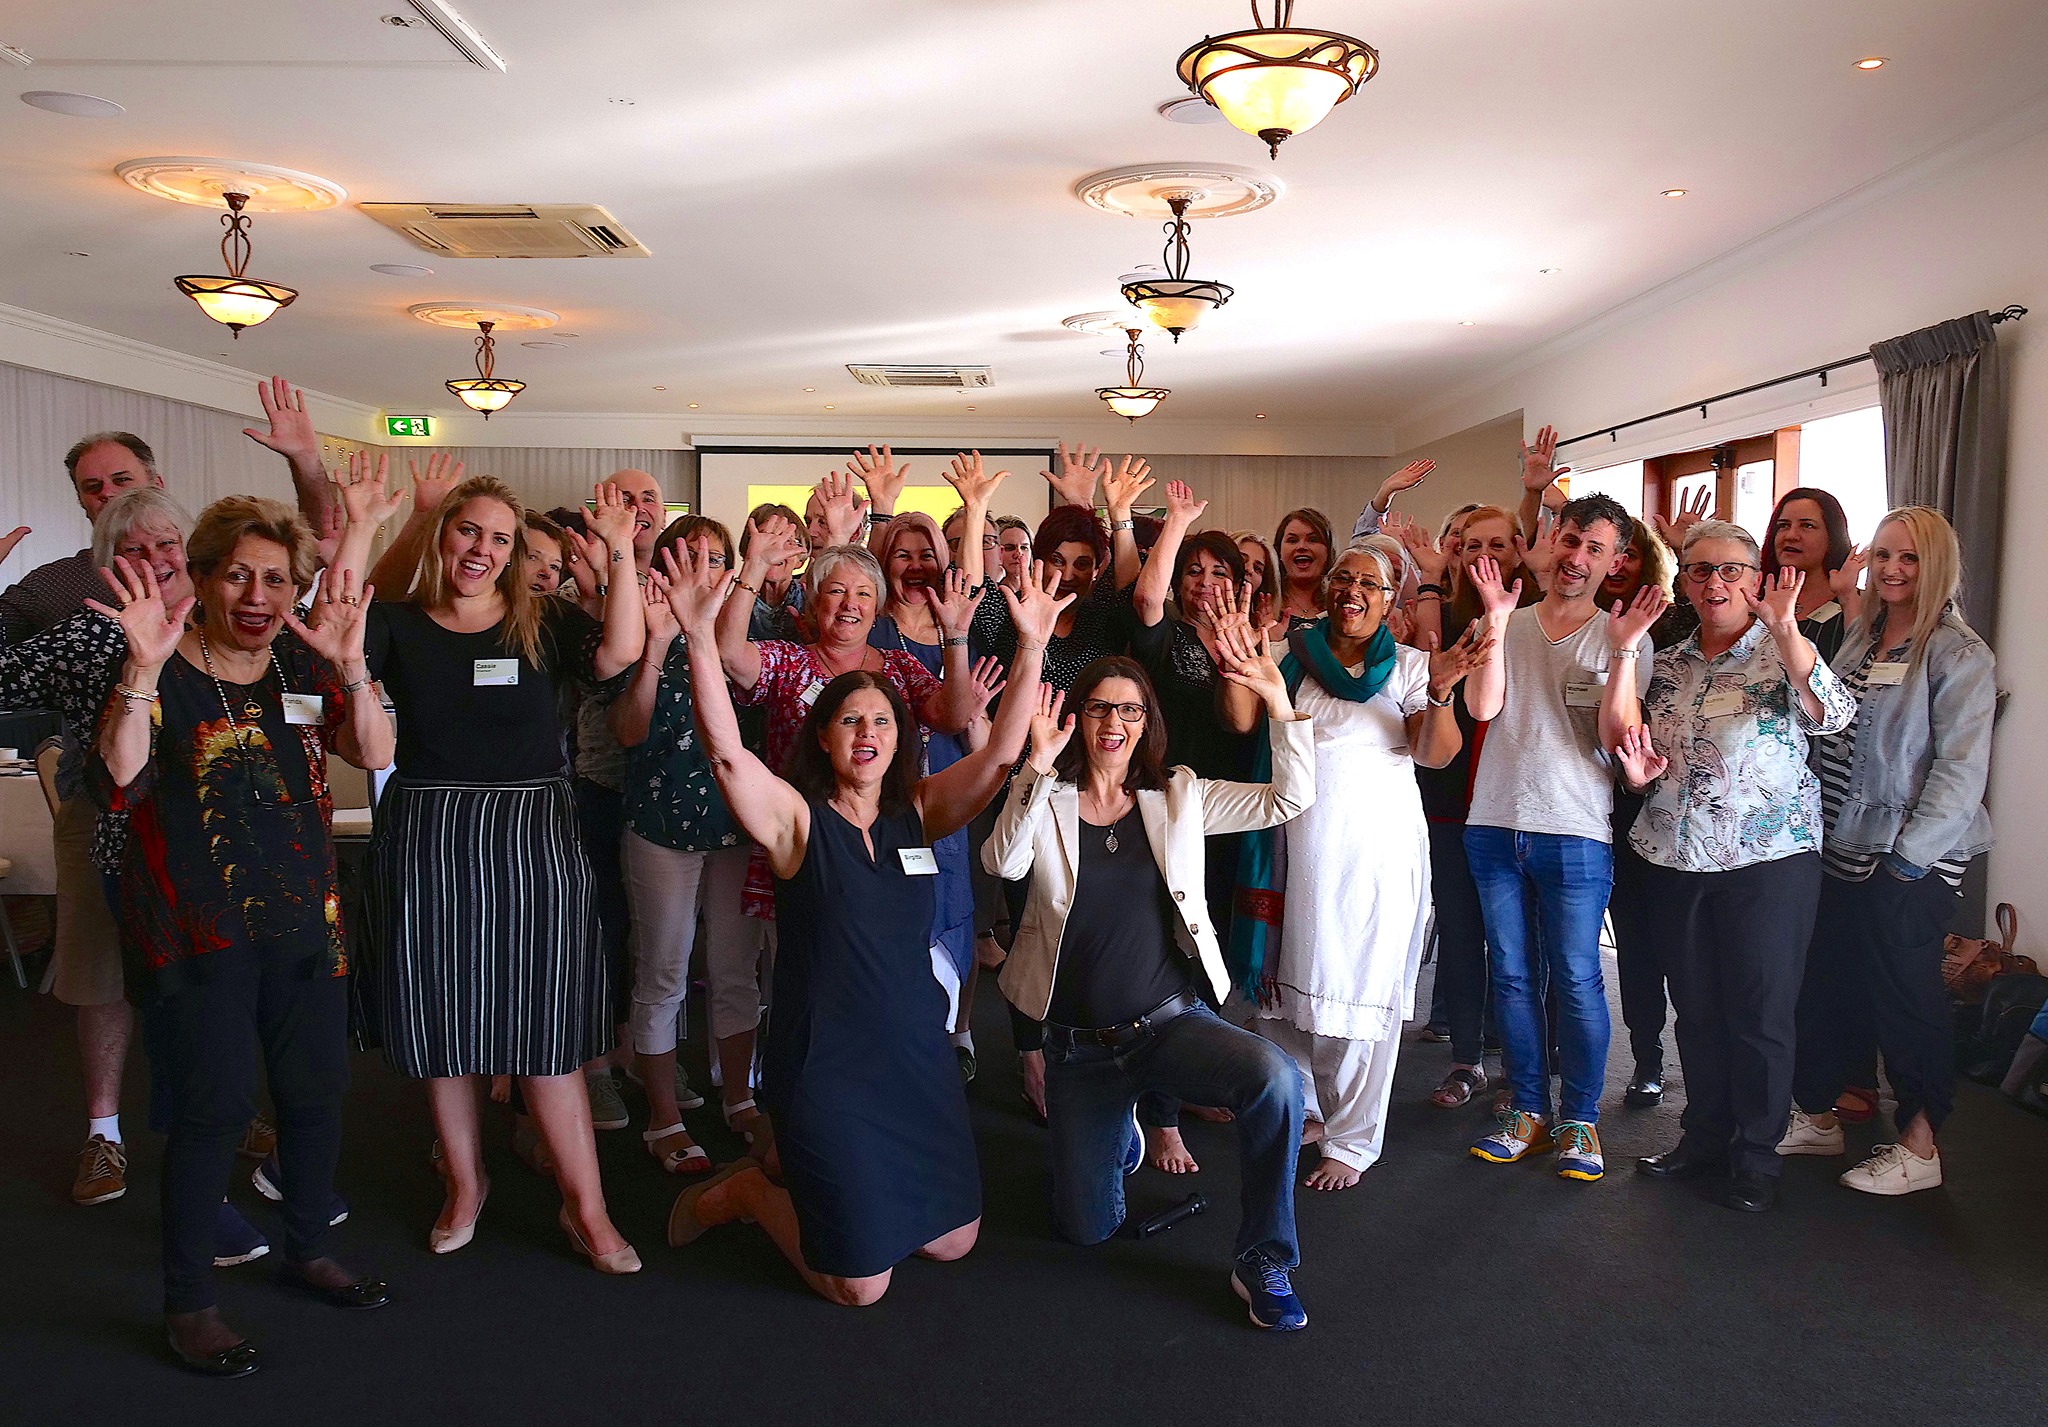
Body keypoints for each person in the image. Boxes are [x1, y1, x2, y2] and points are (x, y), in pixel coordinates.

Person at [665, 552, 1061, 1306]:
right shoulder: (796, 822)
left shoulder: (920, 808)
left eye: (882, 718)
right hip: (828, 1063)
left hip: (915, 1053)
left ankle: (838, 1189)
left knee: (954, 1240)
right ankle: (752, 1192)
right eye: (850, 719)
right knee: (860, 1285)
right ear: (823, 736)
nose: (868, 731)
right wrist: (695, 633)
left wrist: (1033, 640)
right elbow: (725, 754)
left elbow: (1004, 751)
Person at [89, 496, 395, 1375]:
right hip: (197, 935)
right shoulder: (161, 671)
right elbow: (119, 778)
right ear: (204, 576)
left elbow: (372, 752)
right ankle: (188, 1302)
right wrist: (140, 669)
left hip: (304, 920)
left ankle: (306, 1245)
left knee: (314, 1090)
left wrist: (354, 662)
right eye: (238, 575)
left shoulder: (301, 669)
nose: (257, 594)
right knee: (213, 1111)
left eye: (276, 579)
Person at [363, 475, 646, 1269]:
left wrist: (621, 549)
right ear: (442, 536)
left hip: (533, 832)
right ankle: (465, 1181)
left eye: (498, 539)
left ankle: (586, 1209)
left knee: (546, 1027)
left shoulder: (543, 619)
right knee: (443, 1023)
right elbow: (351, 621)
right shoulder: (400, 622)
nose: (481, 551)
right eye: (467, 532)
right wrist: (413, 517)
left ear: (516, 553)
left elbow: (621, 650)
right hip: (430, 829)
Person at [985, 652, 1316, 1330]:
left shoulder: (1179, 795)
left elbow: (1288, 797)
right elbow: (1002, 860)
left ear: (1146, 721)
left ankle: (1264, 1257)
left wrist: (1281, 707)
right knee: (1085, 1229)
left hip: (1169, 1022)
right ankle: (1123, 1134)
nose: (1114, 722)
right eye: (1100, 707)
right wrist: (1036, 764)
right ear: (1079, 717)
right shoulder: (1045, 798)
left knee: (1277, 1080)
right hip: (1079, 1049)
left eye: (1129, 709)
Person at [1606, 520, 1856, 1211]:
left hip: (1766, 861)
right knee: (1698, 1011)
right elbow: (1638, 755)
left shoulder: (1782, 652)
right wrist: (1637, 775)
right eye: (1699, 570)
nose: (1714, 583)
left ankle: (1757, 1154)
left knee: (1761, 1012)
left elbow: (1834, 715)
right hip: (1676, 855)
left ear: (1756, 577)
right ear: (1683, 580)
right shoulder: (1671, 660)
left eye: (1730, 570)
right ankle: (1704, 1135)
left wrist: (1787, 633)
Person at [1224, 545, 1490, 1187]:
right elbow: (1242, 725)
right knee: (1284, 993)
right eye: (1344, 577)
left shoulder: (1411, 666)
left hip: (1369, 854)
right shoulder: (1294, 657)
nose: (1352, 589)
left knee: (1353, 982)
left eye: (1370, 582)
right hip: (1289, 847)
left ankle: (1355, 1136)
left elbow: (1434, 755)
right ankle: (1311, 1108)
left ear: (1391, 596)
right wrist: (1240, 661)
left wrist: (1446, 690)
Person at [1782, 506, 1996, 1197]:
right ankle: (1817, 1113)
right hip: (1839, 842)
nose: (1894, 570)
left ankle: (1920, 1143)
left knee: (1905, 999)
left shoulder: (1960, 654)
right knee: (1827, 985)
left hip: (1911, 857)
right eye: (1884, 556)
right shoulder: (1860, 637)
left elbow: (1961, 771)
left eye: (1909, 557)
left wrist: (1909, 860)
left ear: (1936, 566)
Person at [1460, 492, 1652, 1183]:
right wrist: (1494, 618)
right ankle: (1528, 1110)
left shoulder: (1625, 632)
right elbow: (1483, 706)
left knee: (1575, 977)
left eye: (1595, 549)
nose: (1576, 558)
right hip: (1493, 823)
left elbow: (1612, 738)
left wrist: (1625, 652)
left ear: (1614, 561)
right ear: (1553, 539)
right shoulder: (1507, 622)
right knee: (1510, 976)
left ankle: (1580, 1119)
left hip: (1573, 831)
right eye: (1571, 541)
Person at [1385, 502, 1537, 1107]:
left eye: (1499, 544)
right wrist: (1426, 575)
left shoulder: (1531, 620)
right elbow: (1424, 678)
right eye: (1473, 545)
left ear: (1520, 551)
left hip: (1512, 802)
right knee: (1460, 932)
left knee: (1514, 942)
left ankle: (1513, 1066)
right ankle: (1466, 1061)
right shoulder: (1442, 616)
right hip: (1448, 800)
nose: (1486, 557)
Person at [1, 377, 333, 651]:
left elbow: (316, 542)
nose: (108, 493)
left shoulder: (219, 561)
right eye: (92, 486)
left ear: (157, 485)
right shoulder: (55, 585)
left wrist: (305, 463)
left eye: (122, 480)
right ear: (80, 499)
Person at [609, 519, 741, 1176]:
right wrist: (659, 644)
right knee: (663, 972)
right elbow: (628, 731)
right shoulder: (638, 625)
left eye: (718, 558)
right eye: (690, 554)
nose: (704, 566)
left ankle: (740, 1097)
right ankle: (664, 1118)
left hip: (737, 826)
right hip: (661, 824)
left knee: (735, 970)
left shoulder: (746, 632)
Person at [870, 512, 1007, 1065]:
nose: (916, 565)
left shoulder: (963, 633)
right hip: (881, 797)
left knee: (955, 908)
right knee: (890, 913)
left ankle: (960, 1032)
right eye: (902, 555)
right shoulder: (872, 631)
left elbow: (987, 744)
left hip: (950, 791)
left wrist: (970, 714)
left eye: (926, 554)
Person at [1595, 516, 1692, 1109]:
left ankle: (1695, 1061)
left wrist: (1684, 554)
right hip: (1611, 803)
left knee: (1679, 945)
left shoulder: (1675, 621)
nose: (1621, 563)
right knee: (1633, 943)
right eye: (1614, 552)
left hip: (1677, 804)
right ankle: (1648, 1057)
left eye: (1633, 552)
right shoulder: (1580, 618)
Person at [1761, 487, 1859, 664]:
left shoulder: (1857, 602)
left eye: (1807, 526)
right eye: (1783, 526)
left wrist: (1847, 596)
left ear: (1832, 537)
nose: (1791, 535)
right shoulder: (1755, 598)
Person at [1273, 508, 1336, 628]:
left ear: (1328, 551)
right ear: (1278, 551)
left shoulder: (1340, 603)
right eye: (1292, 540)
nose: (1301, 546)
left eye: (1312, 540)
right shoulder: (1264, 603)